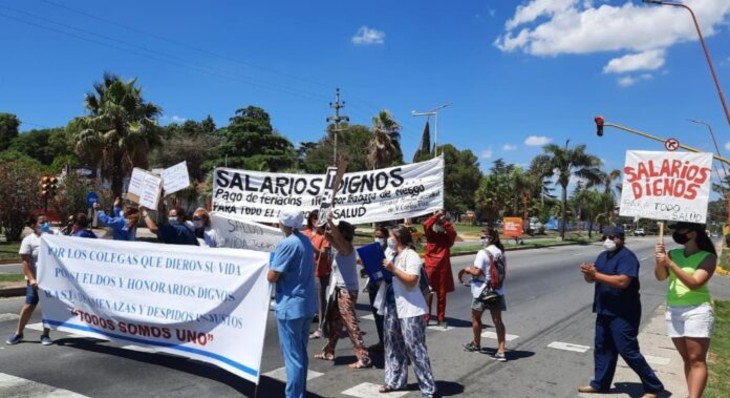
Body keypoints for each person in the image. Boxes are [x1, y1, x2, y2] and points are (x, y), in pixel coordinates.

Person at [577, 226, 663, 398]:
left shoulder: (627, 257)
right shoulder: (602, 256)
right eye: (605, 236)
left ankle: (653, 386)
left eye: (612, 237)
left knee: (627, 350)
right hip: (604, 309)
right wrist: (588, 274)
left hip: (623, 312)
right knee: (602, 348)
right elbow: (592, 279)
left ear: (621, 239)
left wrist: (596, 275)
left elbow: (623, 281)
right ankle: (600, 384)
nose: (608, 240)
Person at [655, 222, 717, 398]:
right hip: (674, 309)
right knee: (687, 359)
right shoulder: (674, 254)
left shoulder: (708, 257)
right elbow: (660, 277)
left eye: (680, 229)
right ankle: (692, 393)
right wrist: (660, 260)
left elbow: (695, 283)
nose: (677, 233)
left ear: (693, 233)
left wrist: (671, 264)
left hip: (697, 310)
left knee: (696, 358)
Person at [377, 225, 436, 397]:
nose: (388, 239)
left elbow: (411, 281)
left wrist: (393, 269)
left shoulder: (411, 256)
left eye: (390, 236)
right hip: (392, 306)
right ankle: (394, 381)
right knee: (392, 346)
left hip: (410, 308)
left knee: (415, 348)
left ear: (399, 238)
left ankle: (428, 387)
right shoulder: (391, 254)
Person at [267, 207, 317, 398]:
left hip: (290, 305)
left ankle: (294, 395)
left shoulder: (287, 244)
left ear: (283, 223)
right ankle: (299, 393)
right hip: (305, 304)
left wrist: (270, 270)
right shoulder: (305, 240)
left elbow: (273, 275)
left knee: (292, 357)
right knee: (300, 354)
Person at [314, 210, 371, 369]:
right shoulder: (341, 248)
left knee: (350, 324)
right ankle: (329, 351)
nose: (334, 232)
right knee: (335, 323)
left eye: (338, 230)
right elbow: (325, 235)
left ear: (343, 233)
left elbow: (335, 236)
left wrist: (331, 223)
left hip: (347, 292)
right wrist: (322, 223)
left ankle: (363, 357)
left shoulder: (347, 248)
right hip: (340, 291)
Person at [459, 227, 508, 361]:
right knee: (498, 320)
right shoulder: (500, 252)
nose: (482, 239)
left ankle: (476, 343)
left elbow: (477, 272)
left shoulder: (483, 253)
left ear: (490, 238)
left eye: (484, 236)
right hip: (497, 290)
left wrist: (467, 269)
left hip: (482, 291)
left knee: (476, 318)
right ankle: (501, 350)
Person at [6, 214, 53, 346]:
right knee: (29, 306)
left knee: (49, 308)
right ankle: (18, 333)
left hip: (52, 281)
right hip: (35, 280)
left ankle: (45, 334)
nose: (46, 224)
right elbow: (25, 263)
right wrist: (32, 280)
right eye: (42, 222)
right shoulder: (29, 240)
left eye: (47, 221)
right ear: (33, 225)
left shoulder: (54, 237)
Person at [422, 209, 457, 327]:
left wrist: (444, 222)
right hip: (430, 266)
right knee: (429, 293)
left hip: (443, 267)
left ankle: (440, 318)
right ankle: (426, 317)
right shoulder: (430, 235)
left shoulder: (447, 238)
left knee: (442, 295)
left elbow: (453, 233)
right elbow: (426, 224)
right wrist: (436, 216)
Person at [301, 211, 331, 339]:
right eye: (314, 218)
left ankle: (322, 328)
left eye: (318, 218)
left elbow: (323, 254)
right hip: (306, 270)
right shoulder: (306, 232)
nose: (316, 221)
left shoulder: (325, 235)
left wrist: (311, 246)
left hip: (320, 271)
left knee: (320, 301)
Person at [366, 225, 393, 353]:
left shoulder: (390, 251)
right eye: (376, 236)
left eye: (380, 237)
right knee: (377, 315)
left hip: (384, 287)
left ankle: (389, 343)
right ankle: (382, 341)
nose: (377, 239)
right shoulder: (373, 249)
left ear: (386, 237)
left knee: (385, 317)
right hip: (373, 285)